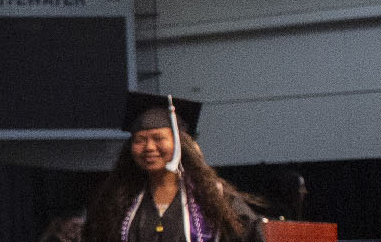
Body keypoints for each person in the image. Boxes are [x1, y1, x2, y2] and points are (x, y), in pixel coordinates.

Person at [81, 94, 263, 242]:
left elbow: (252, 235)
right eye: (140, 140)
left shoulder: (214, 196)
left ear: (179, 144)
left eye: (158, 138)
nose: (149, 147)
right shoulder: (117, 199)